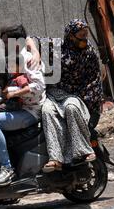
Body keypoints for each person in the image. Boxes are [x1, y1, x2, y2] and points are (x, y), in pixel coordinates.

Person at [35, 19, 103, 172]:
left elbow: (94, 80)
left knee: (71, 107)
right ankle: (55, 158)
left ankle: (84, 150)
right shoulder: (57, 48)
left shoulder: (89, 53)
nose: (85, 38)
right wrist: (33, 49)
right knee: (46, 111)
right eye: (81, 35)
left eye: (86, 35)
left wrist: (92, 104)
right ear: (71, 36)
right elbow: (34, 39)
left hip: (76, 95)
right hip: (55, 93)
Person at [0, 24, 46, 186]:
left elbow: (39, 87)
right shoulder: (11, 58)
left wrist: (14, 93)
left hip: (31, 110)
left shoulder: (29, 59)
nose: (3, 45)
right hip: (19, 107)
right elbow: (0, 81)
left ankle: (7, 168)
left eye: (6, 42)